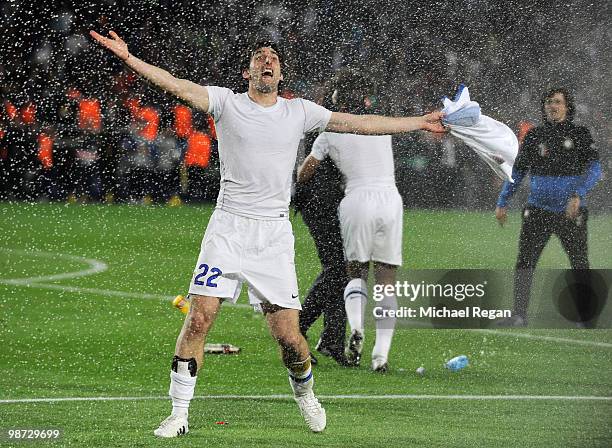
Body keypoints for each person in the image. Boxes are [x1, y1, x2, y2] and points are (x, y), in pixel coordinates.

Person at [90, 30, 444, 437]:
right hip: (227, 228)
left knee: (290, 340)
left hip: (273, 236)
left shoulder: (299, 112)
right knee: (199, 319)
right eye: (259, 57)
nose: (267, 61)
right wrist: (131, 58)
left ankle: (305, 392)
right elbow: (176, 85)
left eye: (273, 57)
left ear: (280, 73)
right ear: (247, 71)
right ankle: (179, 413)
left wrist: (418, 122)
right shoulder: (226, 102)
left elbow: (360, 123)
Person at [297, 70, 402, 373]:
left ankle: (336, 333)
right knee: (381, 281)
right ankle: (378, 354)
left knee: (346, 272)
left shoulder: (328, 127)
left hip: (349, 201)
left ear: (335, 97)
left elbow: (306, 171)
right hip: (388, 200)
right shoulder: (379, 124)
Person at [495, 87, 602, 326]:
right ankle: (519, 316)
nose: (552, 106)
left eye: (557, 102)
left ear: (567, 106)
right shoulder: (534, 136)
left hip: (570, 211)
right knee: (525, 263)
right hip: (537, 210)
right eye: (548, 102)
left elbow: (596, 171)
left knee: (579, 262)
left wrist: (578, 194)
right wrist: (503, 201)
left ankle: (586, 316)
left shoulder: (581, 134)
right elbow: (518, 172)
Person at [294, 153, 350, 366]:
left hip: (327, 198)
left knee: (340, 271)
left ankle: (332, 339)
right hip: (320, 200)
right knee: (337, 270)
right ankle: (299, 326)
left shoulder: (331, 127)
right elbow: (306, 168)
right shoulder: (328, 127)